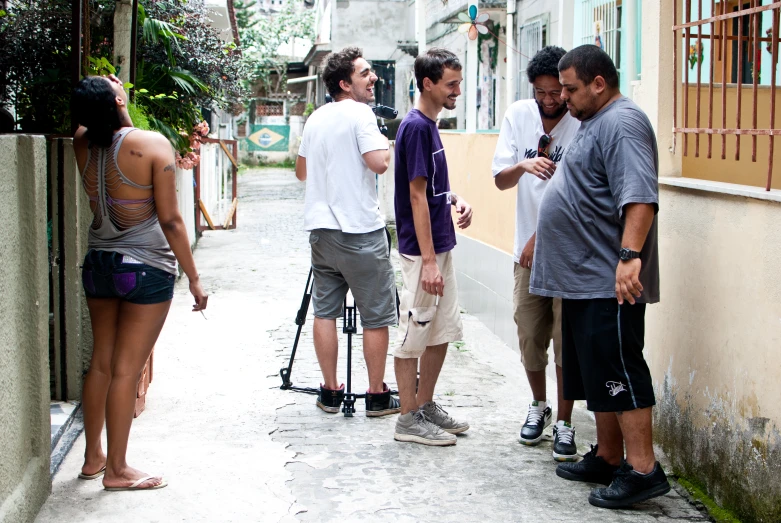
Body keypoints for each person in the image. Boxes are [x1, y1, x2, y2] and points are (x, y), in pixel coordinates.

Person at [531, 45, 670, 507]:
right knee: (596, 373)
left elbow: (640, 197)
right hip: (582, 277)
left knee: (620, 371)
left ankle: (644, 470)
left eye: (569, 88)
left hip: (607, 278)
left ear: (598, 83)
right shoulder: (595, 122)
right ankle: (609, 456)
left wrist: (629, 257)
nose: (562, 97)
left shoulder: (623, 123)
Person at [71, 74, 208, 491]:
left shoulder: (82, 141)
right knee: (127, 370)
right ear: (116, 100)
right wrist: (196, 281)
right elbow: (169, 219)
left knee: (101, 363)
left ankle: (93, 457)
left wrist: (113, 103)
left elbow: (101, 128)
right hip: (144, 268)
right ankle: (117, 470)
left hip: (99, 262)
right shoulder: (152, 146)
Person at [295, 47, 400, 417]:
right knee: (375, 315)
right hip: (359, 232)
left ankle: (329, 392)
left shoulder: (316, 117)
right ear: (345, 83)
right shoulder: (362, 115)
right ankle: (376, 395)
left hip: (321, 232)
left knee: (325, 312)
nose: (374, 79)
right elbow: (379, 164)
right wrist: (383, 140)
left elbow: (302, 172)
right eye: (365, 73)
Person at [492, 46, 581, 461]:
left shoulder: (582, 121)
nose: (550, 100)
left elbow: (579, 195)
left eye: (556, 92)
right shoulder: (518, 115)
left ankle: (565, 421)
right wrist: (523, 167)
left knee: (567, 341)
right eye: (541, 92)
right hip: (525, 255)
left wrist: (539, 237)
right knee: (530, 334)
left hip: (569, 253)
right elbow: (500, 181)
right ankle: (539, 405)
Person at [393, 48, 473, 446]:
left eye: (458, 82)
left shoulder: (431, 125)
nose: (458, 90)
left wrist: (455, 198)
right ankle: (407, 419)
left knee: (440, 331)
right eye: (451, 84)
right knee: (414, 333)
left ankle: (424, 406)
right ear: (428, 83)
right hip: (422, 252)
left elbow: (431, 188)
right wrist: (427, 262)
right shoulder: (416, 127)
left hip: (441, 244)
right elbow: (415, 195)